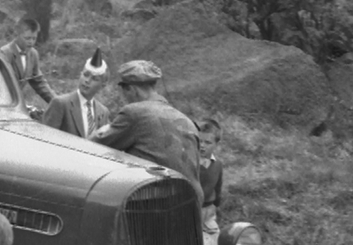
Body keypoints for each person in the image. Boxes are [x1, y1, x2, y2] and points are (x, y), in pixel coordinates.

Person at [92, 61, 203, 202]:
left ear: (132, 90)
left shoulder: (135, 113)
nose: (125, 99)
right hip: (192, 206)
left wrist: (104, 129)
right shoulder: (188, 122)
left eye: (124, 93)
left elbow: (93, 146)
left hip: (154, 208)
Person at [42, 48, 110, 139]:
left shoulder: (103, 112)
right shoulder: (61, 104)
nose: (87, 81)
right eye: (85, 75)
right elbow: (44, 140)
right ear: (80, 74)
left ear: (103, 85)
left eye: (94, 79)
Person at [0, 17, 55, 108]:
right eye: (27, 38)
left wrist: (56, 102)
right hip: (4, 102)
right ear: (17, 34)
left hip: (17, 103)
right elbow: (0, 83)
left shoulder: (33, 54)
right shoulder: (5, 53)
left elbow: (39, 82)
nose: (31, 42)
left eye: (34, 38)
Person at [196, 118, 225, 234]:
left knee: (213, 240)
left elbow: (218, 186)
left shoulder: (217, 165)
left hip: (208, 210)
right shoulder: (189, 162)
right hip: (189, 209)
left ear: (216, 144)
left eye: (208, 143)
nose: (202, 146)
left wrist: (217, 204)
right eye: (199, 141)